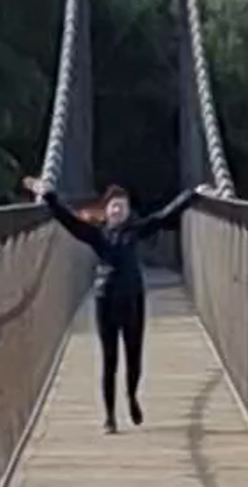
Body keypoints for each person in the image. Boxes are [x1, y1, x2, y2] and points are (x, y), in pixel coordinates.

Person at [28, 170, 182, 431]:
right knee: (109, 360)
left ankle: (131, 396)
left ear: (128, 211)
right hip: (105, 300)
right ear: (107, 211)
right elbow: (69, 221)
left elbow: (164, 216)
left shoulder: (136, 230)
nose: (118, 210)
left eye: (123, 207)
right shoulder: (97, 235)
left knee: (134, 358)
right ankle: (110, 417)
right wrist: (49, 196)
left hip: (133, 299)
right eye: (114, 206)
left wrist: (194, 196)